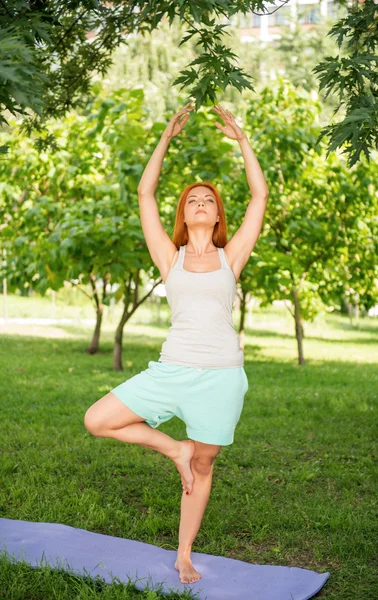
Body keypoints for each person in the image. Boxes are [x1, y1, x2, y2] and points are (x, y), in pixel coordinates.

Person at [84, 101, 269, 584]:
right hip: (172, 370)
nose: (201, 202)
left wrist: (243, 140)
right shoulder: (171, 257)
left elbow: (260, 196)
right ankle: (173, 451)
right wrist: (164, 138)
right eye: (193, 199)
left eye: (208, 199)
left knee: (205, 461)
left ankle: (184, 552)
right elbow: (146, 193)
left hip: (222, 375)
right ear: (184, 215)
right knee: (97, 420)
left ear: (217, 213)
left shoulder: (233, 258)